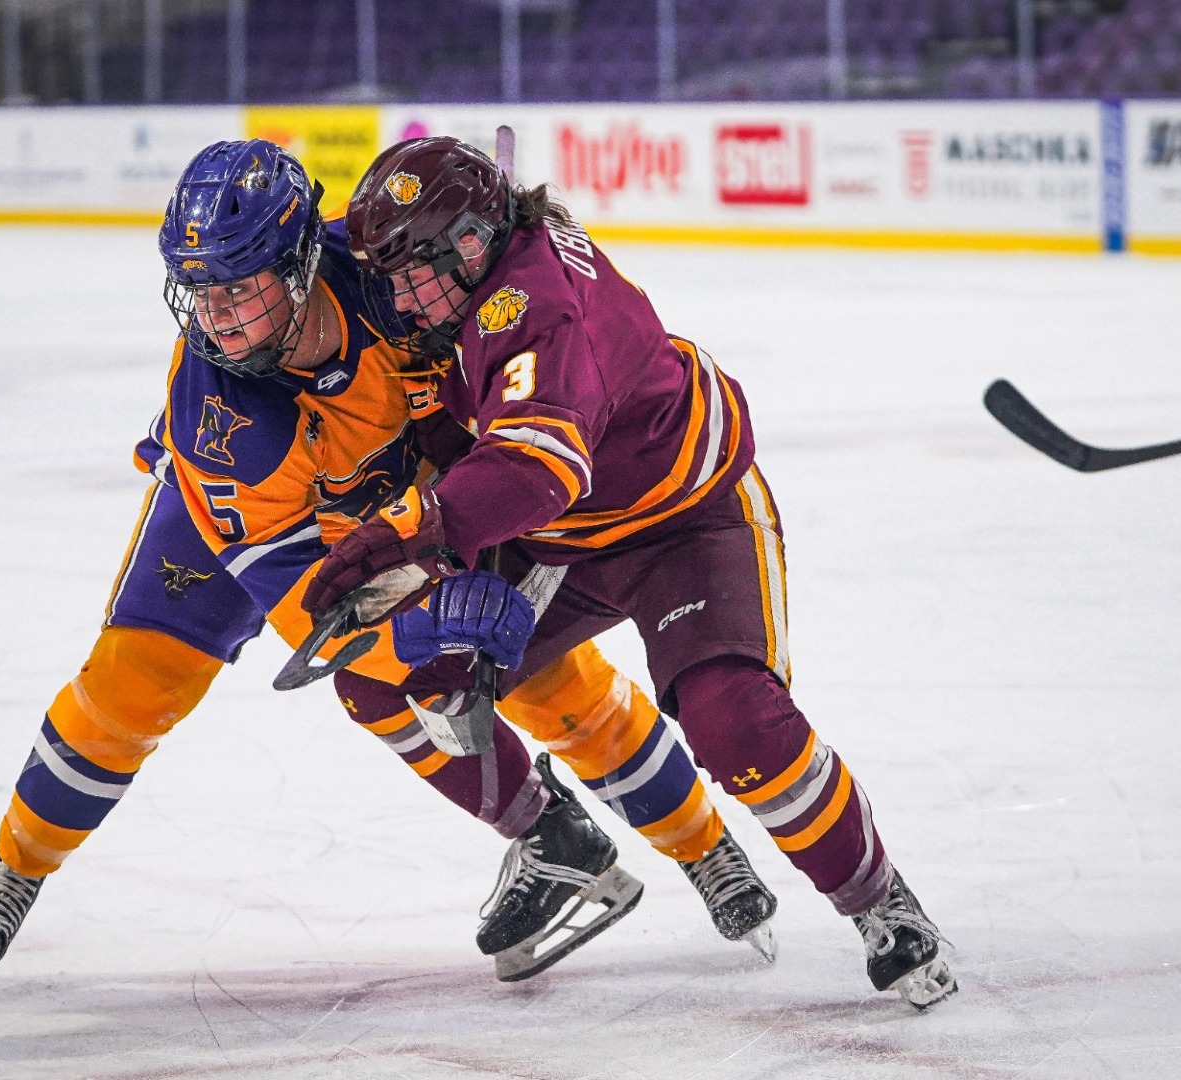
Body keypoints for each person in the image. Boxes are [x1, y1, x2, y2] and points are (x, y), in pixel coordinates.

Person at [0, 140, 778, 990]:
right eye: (201, 293)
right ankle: (15, 867)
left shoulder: (394, 268)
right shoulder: (220, 415)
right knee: (132, 685)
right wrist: (420, 627)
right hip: (244, 519)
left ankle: (705, 848)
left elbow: (521, 306)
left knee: (540, 672)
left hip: (403, 498)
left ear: (303, 264)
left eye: (239, 289)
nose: (217, 319)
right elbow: (310, 611)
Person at [311, 136, 958, 1008]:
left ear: (470, 244)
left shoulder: (532, 305)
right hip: (559, 536)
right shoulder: (471, 271)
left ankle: (879, 900)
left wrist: (416, 526)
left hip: (684, 515)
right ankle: (556, 840)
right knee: (392, 675)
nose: (396, 294)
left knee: (736, 722)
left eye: (411, 271)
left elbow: (536, 469)